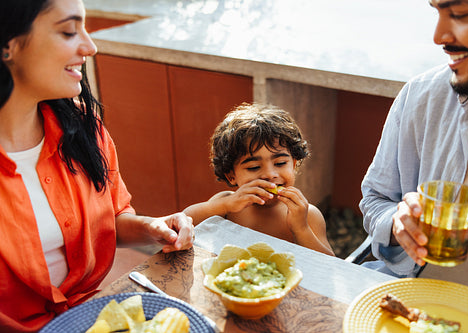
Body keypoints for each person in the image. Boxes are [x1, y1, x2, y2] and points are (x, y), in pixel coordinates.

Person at [0, 0, 195, 331]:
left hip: (93, 315)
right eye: (68, 31)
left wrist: (151, 227)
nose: (90, 46)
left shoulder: (81, 127)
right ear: (9, 46)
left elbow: (112, 219)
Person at [360, 0, 468, 298]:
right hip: (408, 303)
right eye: (437, 12)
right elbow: (376, 199)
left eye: (460, 14)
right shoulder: (422, 95)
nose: (438, 36)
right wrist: (398, 222)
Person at [183, 103, 335, 256]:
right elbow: (185, 222)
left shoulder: (307, 215)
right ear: (231, 176)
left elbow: (330, 267)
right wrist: (224, 205)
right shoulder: (226, 206)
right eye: (254, 167)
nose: (269, 174)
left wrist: (301, 229)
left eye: (280, 163)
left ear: (294, 165)